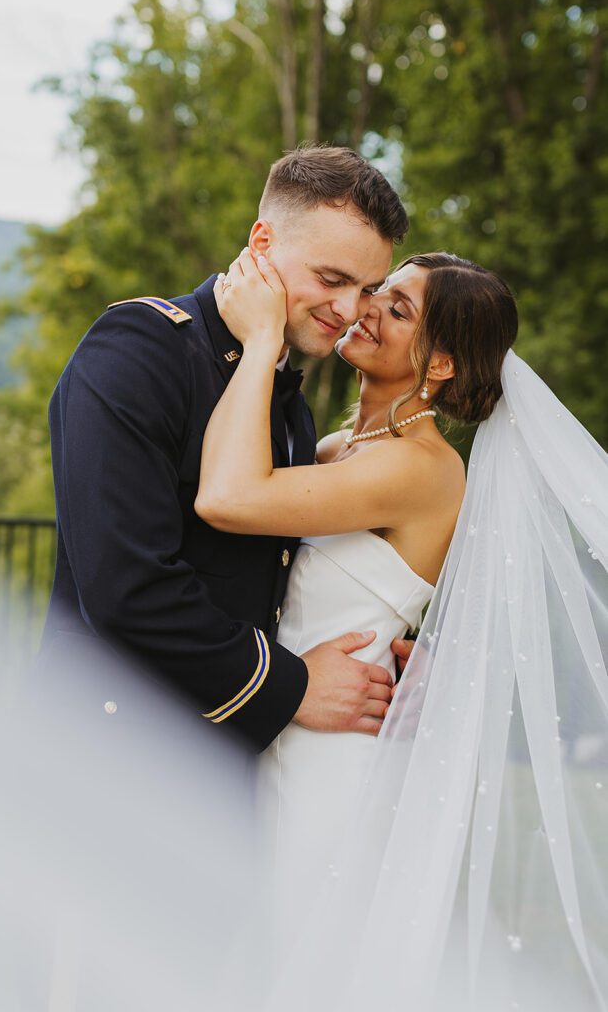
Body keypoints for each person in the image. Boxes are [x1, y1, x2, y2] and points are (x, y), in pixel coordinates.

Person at [197, 251, 608, 1010]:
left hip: (329, 761)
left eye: (397, 309)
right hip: (279, 724)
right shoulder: (339, 451)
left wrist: (262, 344)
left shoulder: (419, 468)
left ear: (442, 362)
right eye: (374, 293)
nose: (366, 309)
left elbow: (227, 497)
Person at [39, 145, 410, 753]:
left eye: (367, 288)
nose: (348, 311)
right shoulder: (139, 349)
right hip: (104, 760)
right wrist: (290, 687)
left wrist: (388, 648)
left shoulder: (290, 400)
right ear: (262, 243)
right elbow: (125, 588)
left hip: (228, 769)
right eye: (331, 279)